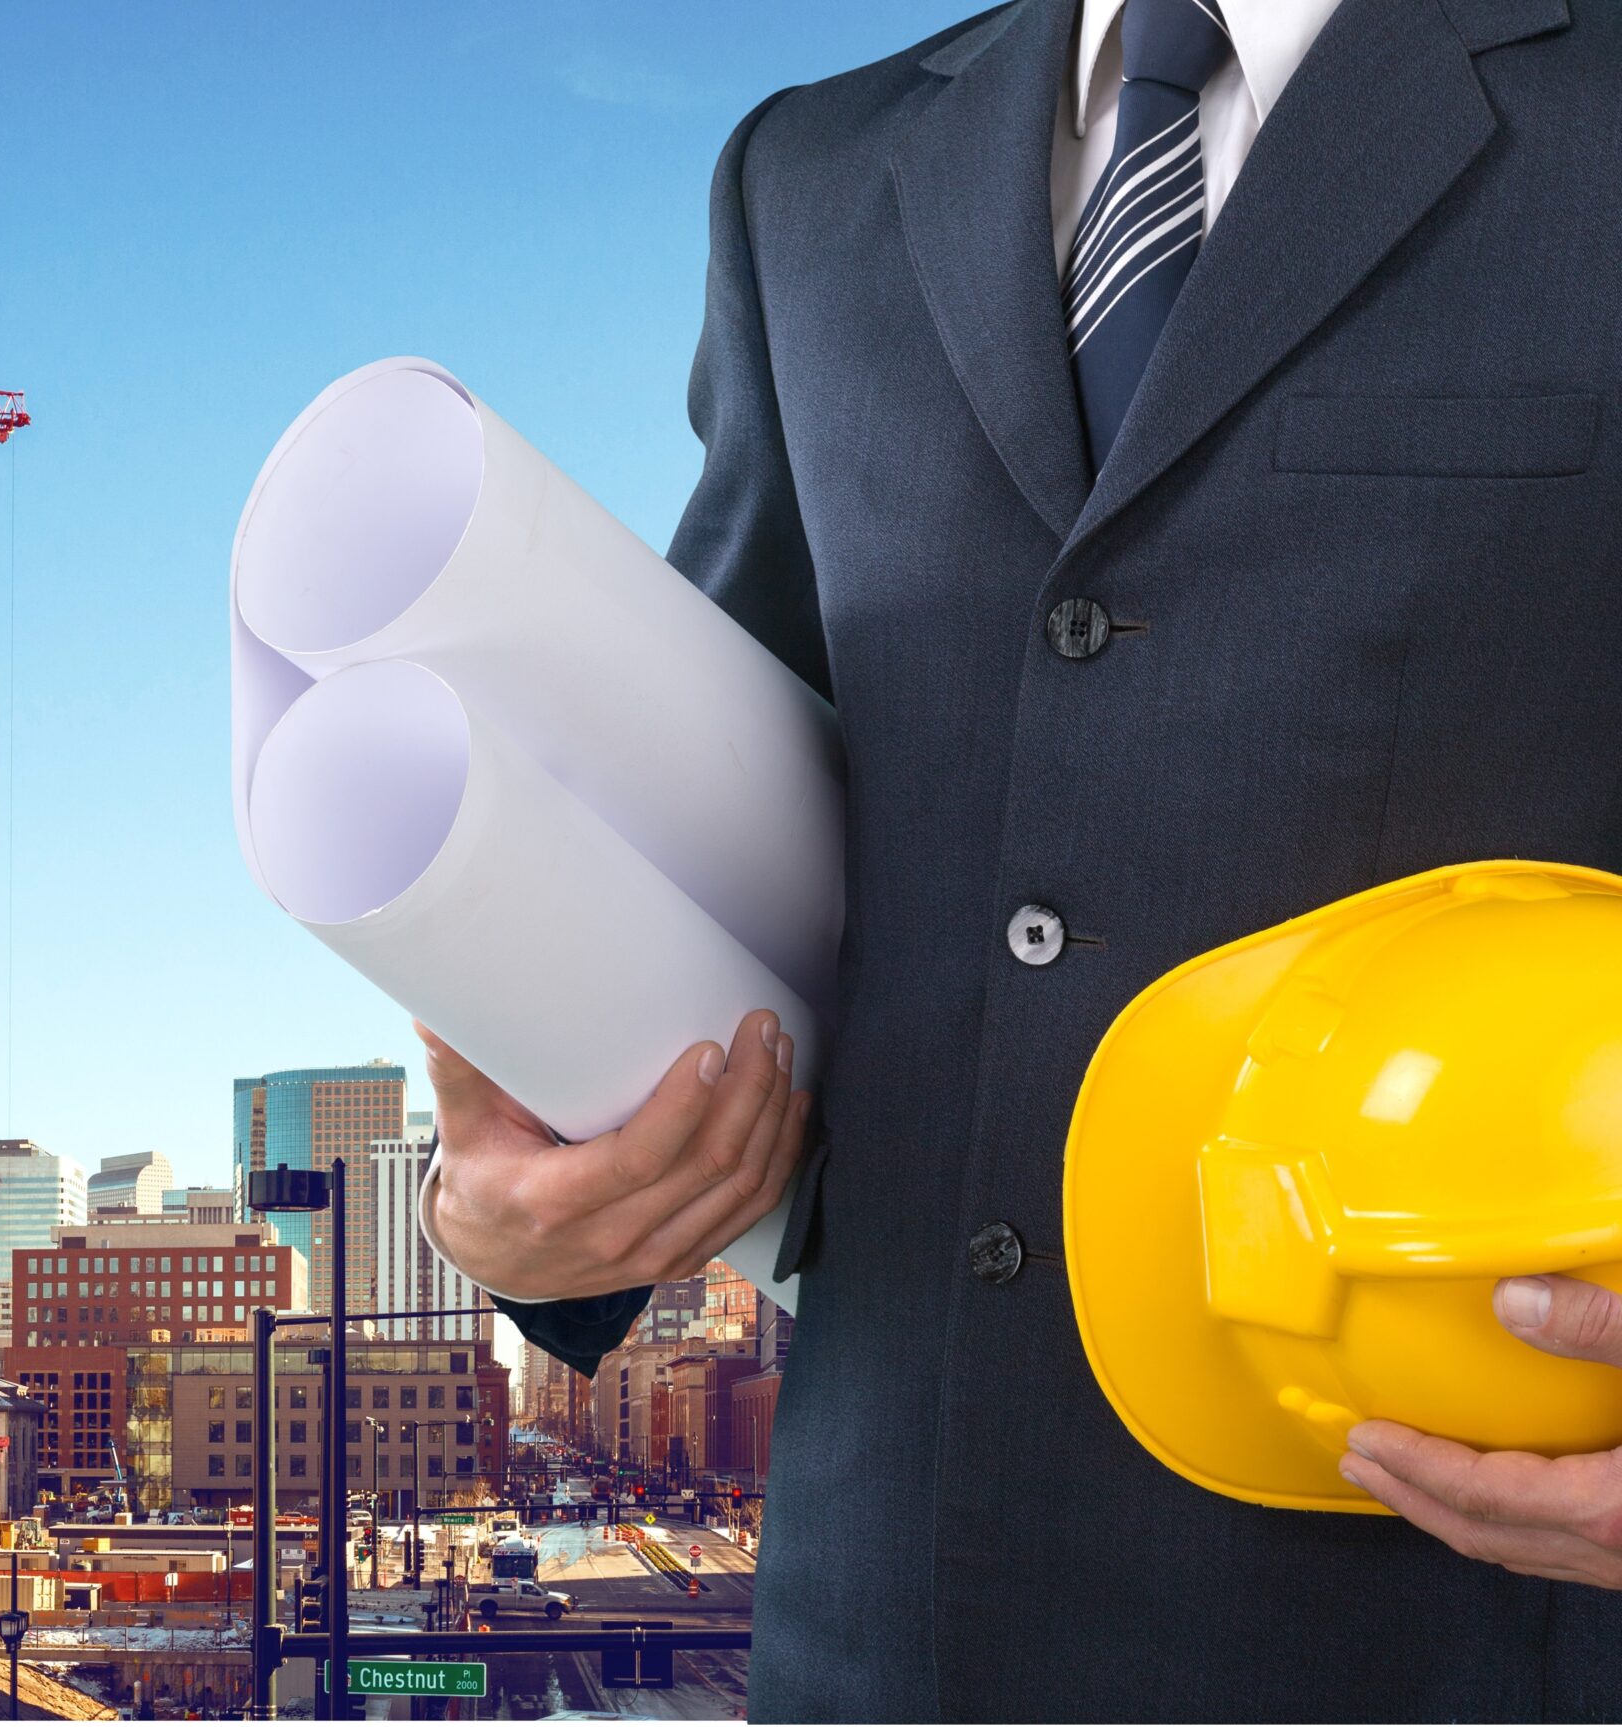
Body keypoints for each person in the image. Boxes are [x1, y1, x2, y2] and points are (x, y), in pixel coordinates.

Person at [423, 0, 1622, 1717]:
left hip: (1478, 1637)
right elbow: (705, 840)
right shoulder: (807, 182)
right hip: (886, 1635)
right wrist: (514, 1209)